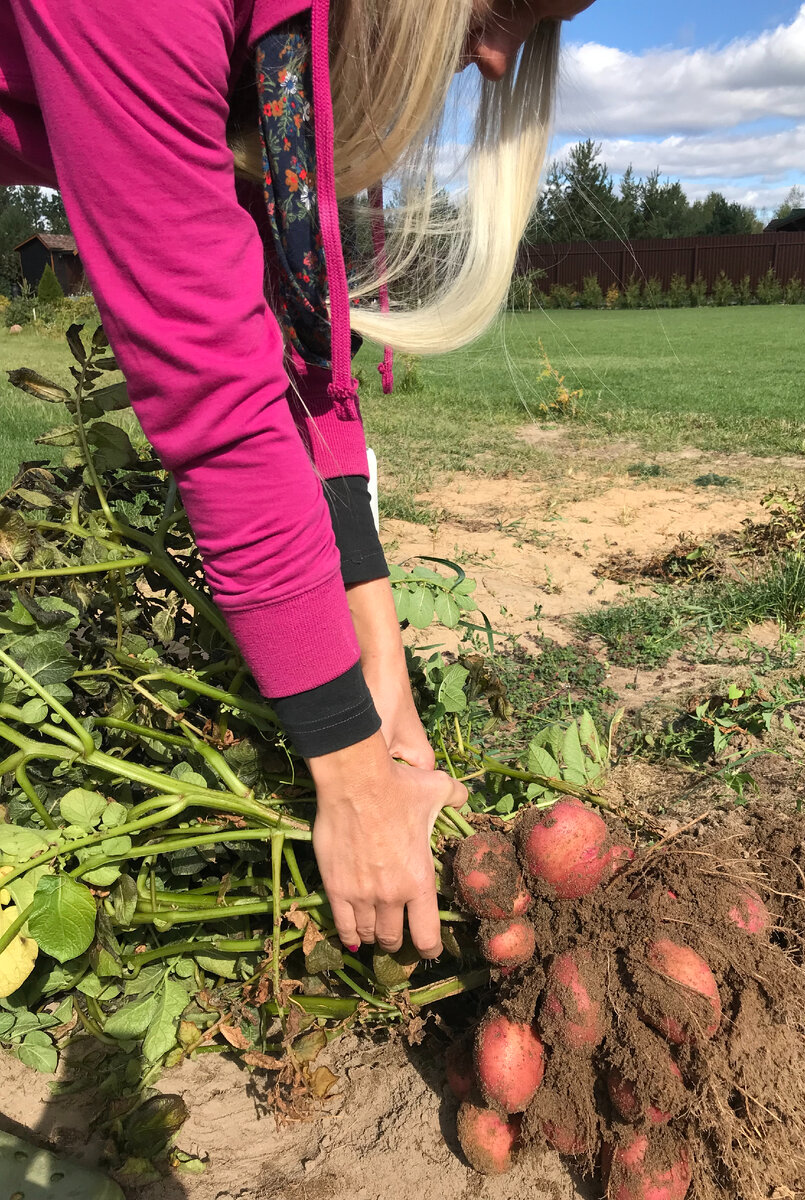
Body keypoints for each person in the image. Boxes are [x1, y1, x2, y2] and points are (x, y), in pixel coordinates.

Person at [0, 0, 595, 961]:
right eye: (502, 8)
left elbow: (301, 365)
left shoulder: (274, 75)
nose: (497, 60)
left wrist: (385, 688)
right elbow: (218, 396)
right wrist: (352, 779)